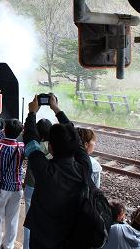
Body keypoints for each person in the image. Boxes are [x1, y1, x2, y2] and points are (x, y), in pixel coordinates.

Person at [23, 94, 92, 248]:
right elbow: (76, 139)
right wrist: (56, 109)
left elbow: (30, 140)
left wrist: (32, 112)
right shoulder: (84, 167)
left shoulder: (43, 169)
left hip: (42, 237)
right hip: (72, 236)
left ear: (51, 148)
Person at [0, 119, 25, 249]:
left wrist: (2, 131)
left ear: (5, 130)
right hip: (16, 188)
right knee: (12, 218)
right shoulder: (22, 148)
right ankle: (8, 245)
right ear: (20, 132)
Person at [23, 118, 51, 249]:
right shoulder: (53, 146)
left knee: (29, 220)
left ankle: (26, 246)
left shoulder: (33, 145)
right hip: (46, 188)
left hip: (30, 185)